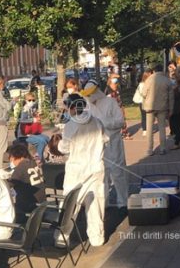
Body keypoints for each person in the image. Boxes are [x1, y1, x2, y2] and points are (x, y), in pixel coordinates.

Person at [56, 94, 107, 246]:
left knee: (70, 205)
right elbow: (106, 140)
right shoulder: (97, 122)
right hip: (96, 167)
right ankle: (97, 238)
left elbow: (64, 148)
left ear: (72, 107)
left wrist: (58, 144)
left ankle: (62, 238)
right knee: (95, 204)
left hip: (77, 170)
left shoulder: (71, 125)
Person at [81, 80, 127, 210]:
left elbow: (120, 121)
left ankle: (123, 202)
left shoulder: (110, 102)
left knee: (118, 173)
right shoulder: (87, 107)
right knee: (101, 175)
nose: (89, 98)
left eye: (91, 94)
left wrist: (105, 123)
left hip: (113, 143)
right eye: (87, 95)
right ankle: (103, 203)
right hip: (97, 146)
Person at [7, 143, 46, 223]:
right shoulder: (35, 162)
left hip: (28, 208)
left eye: (12, 158)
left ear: (18, 157)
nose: (11, 161)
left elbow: (8, 185)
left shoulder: (21, 166)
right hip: (41, 205)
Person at [141, 64, 173, 156]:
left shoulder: (149, 79)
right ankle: (162, 148)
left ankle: (149, 149)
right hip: (162, 107)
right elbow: (171, 97)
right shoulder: (167, 80)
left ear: (154, 71)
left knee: (149, 129)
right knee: (162, 128)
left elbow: (143, 93)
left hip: (150, 106)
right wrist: (171, 108)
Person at [16, 92, 50, 163]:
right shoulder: (25, 109)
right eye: (29, 100)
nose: (31, 102)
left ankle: (41, 157)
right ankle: (38, 160)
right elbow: (22, 120)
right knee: (41, 141)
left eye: (33, 100)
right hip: (24, 134)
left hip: (31, 132)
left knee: (47, 138)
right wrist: (33, 120)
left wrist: (37, 115)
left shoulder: (32, 108)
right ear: (25, 100)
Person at [104, 73, 131, 139]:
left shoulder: (116, 90)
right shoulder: (108, 90)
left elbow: (118, 76)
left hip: (119, 105)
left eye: (116, 83)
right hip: (113, 107)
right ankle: (119, 133)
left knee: (122, 119)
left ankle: (124, 133)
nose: (116, 85)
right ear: (110, 83)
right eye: (114, 83)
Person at [133, 69, 153, 136]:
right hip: (142, 101)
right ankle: (145, 129)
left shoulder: (149, 83)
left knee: (150, 116)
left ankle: (148, 128)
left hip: (148, 101)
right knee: (144, 115)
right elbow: (143, 93)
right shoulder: (142, 84)